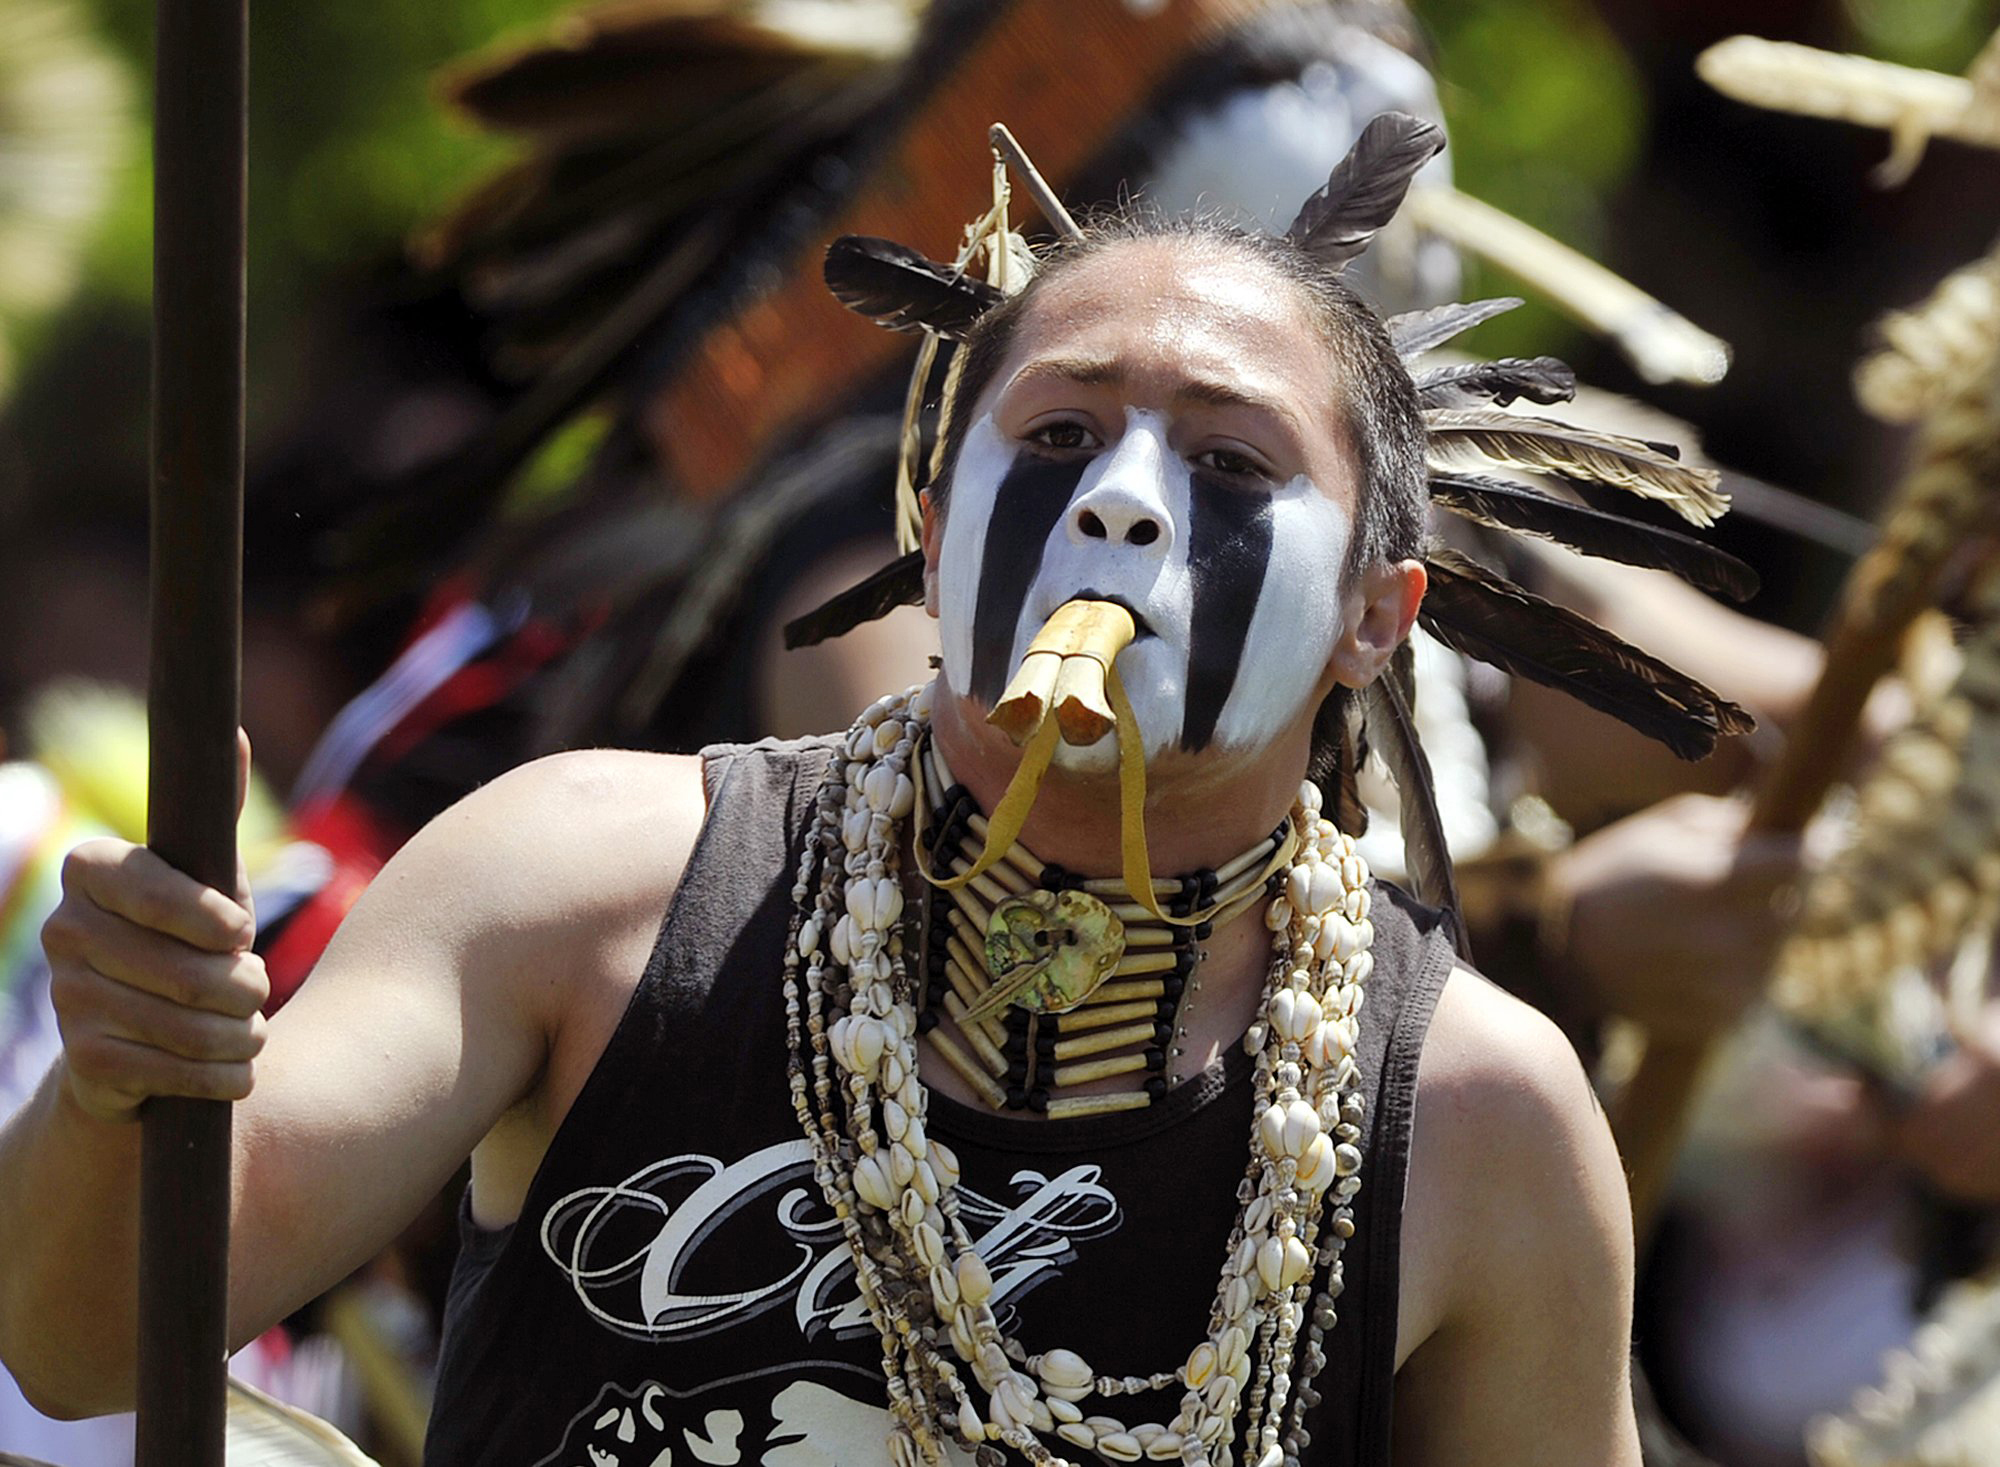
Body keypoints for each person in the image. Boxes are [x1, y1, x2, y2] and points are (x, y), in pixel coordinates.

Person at [0, 209, 1646, 1465]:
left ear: (1378, 614)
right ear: (934, 535)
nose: (1123, 504)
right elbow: (79, 1348)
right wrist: (117, 1076)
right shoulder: (587, 886)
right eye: (1060, 432)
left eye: (1231, 459)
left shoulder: (1478, 1117)